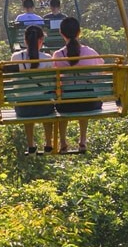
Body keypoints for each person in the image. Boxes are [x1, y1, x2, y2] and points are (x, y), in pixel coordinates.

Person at [51, 17, 104, 154]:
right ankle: (83, 140)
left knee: (62, 99)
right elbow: (102, 70)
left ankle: (62, 142)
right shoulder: (90, 53)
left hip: (66, 105)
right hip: (89, 104)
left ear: (61, 33)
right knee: (84, 95)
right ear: (79, 32)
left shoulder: (58, 55)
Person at [10, 24, 55, 154]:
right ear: (41, 40)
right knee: (47, 100)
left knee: (25, 100)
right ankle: (48, 143)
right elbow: (52, 82)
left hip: (23, 110)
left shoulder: (16, 57)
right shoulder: (47, 59)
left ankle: (31, 145)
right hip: (44, 109)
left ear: (25, 41)